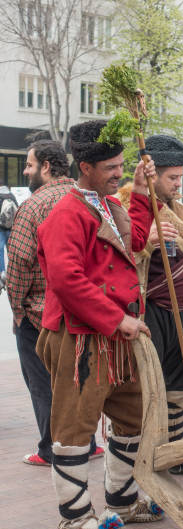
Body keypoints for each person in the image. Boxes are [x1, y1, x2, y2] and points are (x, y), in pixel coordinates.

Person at [35, 120, 163, 529]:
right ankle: (73, 515)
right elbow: (67, 281)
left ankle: (122, 499)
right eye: (111, 167)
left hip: (114, 337)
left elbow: (138, 241)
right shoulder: (66, 213)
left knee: (130, 418)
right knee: (74, 427)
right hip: (81, 337)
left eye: (122, 165)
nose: (119, 173)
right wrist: (116, 319)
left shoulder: (108, 205)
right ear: (85, 167)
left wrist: (143, 192)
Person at [6, 140, 104, 466]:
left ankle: (51, 449)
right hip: (85, 310)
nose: (26, 171)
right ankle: (88, 443)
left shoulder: (33, 207)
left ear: (47, 166)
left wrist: (17, 311)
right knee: (80, 378)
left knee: (43, 384)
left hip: (40, 314)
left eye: (30, 165)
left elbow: (19, 262)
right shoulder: (87, 199)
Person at [118, 135, 183, 478]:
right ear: (152, 175)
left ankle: (177, 451)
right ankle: (145, 454)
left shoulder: (180, 209)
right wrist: (148, 244)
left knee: (178, 384)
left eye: (180, 177)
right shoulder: (128, 206)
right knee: (148, 387)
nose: (178, 184)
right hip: (152, 312)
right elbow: (121, 259)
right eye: (172, 177)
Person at [0, 185, 18, 291]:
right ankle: (12, 272)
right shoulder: (11, 195)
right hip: (11, 227)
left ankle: (2, 271)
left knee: (0, 250)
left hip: (1, 228)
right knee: (11, 250)